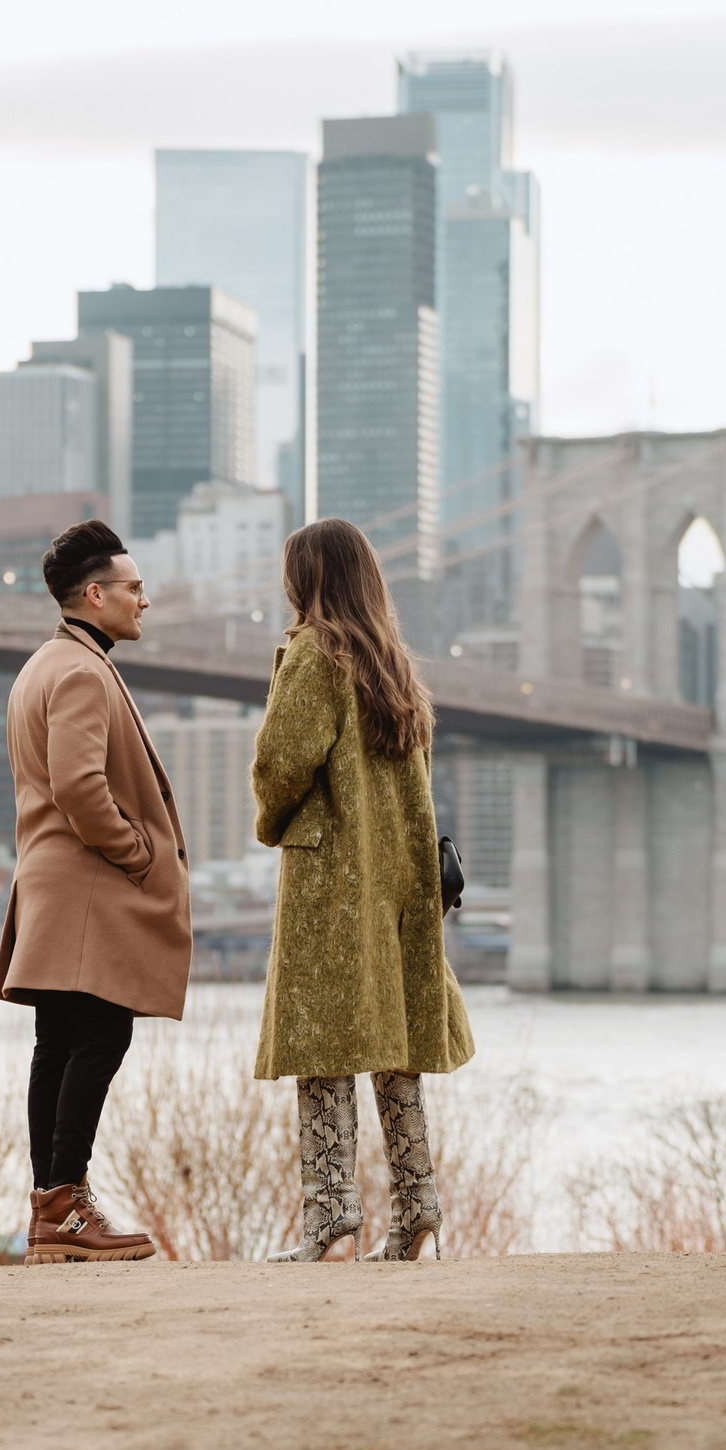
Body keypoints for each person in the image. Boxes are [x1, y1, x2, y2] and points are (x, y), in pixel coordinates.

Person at [251, 518, 474, 1261]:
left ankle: (330, 1211)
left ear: (309, 580)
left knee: (323, 1047)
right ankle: (417, 1210)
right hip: (396, 888)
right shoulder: (395, 668)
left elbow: (281, 763)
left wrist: (276, 818)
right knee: (394, 1048)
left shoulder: (316, 656)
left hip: (330, 887)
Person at [0, 519, 191, 1264]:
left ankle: (51, 1208)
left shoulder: (41, 665)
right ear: (96, 594)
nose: (145, 600)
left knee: (59, 1043)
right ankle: (67, 1206)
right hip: (84, 889)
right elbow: (79, 783)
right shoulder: (80, 671)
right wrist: (137, 849)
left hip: (49, 884)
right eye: (135, 588)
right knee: (101, 1035)